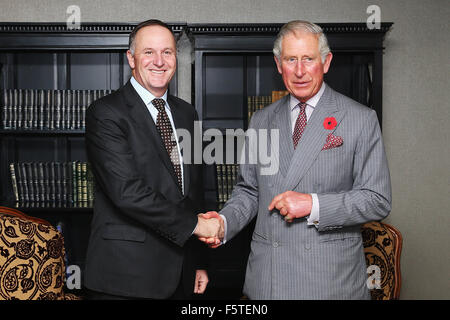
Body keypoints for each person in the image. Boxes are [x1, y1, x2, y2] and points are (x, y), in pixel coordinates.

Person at [198, 20, 392, 299]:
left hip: (329, 281)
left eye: (308, 59)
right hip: (270, 278)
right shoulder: (261, 120)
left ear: (326, 62)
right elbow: (249, 191)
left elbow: (377, 199)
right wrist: (224, 223)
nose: (300, 71)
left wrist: (312, 204)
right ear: (279, 65)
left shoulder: (360, 119)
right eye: (291, 60)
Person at [84, 19, 222, 300]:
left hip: (181, 273)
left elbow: (196, 190)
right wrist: (197, 226)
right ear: (131, 58)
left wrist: (200, 263)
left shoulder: (186, 114)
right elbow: (127, 192)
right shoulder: (106, 113)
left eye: (167, 52)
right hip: (125, 277)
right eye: (149, 52)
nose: (159, 61)